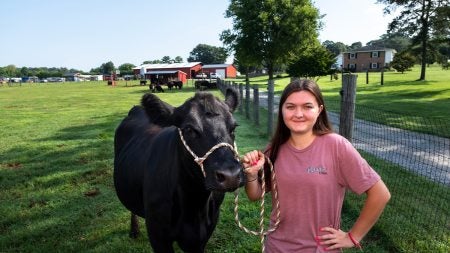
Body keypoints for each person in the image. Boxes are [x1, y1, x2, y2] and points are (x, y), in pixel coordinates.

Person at [242, 79, 391, 252]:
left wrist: (352, 236)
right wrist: (251, 175)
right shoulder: (274, 149)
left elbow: (381, 194)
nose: (298, 114)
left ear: (319, 110)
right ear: (281, 110)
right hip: (276, 247)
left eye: (307, 106)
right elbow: (255, 195)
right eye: (290, 107)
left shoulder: (336, 146)